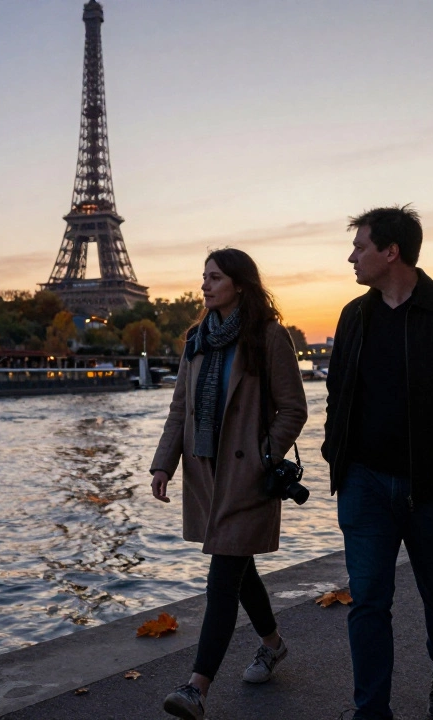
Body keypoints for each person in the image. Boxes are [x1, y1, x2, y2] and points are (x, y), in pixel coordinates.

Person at [321, 206, 433, 720]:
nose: (352, 256)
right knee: (368, 600)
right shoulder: (353, 316)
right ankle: (370, 710)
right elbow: (339, 393)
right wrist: (337, 456)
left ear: (391, 251)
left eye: (360, 246)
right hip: (364, 482)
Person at [150, 248, 308, 720]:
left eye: (214, 277)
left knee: (223, 578)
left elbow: (293, 409)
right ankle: (273, 644)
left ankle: (196, 688)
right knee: (240, 571)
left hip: (246, 478)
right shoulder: (197, 338)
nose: (204, 285)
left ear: (239, 283)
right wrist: (164, 465)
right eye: (203, 277)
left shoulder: (268, 337)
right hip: (205, 474)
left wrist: (264, 456)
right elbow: (180, 408)